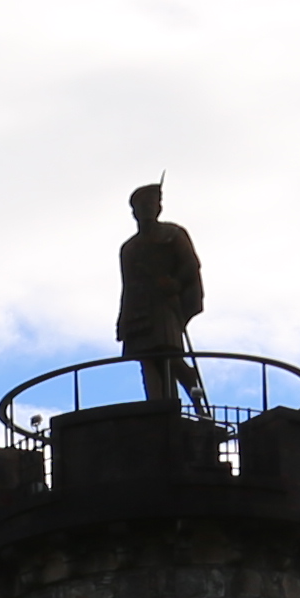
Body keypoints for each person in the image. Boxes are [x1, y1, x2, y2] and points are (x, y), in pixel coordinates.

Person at [115, 180, 206, 421]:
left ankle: (196, 403)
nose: (147, 209)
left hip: (164, 306)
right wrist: (123, 319)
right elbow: (128, 286)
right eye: (142, 205)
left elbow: (190, 265)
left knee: (170, 356)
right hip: (139, 308)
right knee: (146, 359)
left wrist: (175, 283)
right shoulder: (130, 248)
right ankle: (157, 409)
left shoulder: (173, 234)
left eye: (152, 204)